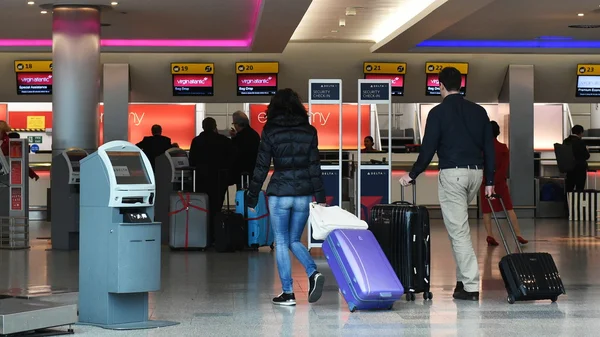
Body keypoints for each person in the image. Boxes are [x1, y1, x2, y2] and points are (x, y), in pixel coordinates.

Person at [399, 67, 495, 301]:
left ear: (440, 86)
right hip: (476, 174)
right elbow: (489, 147)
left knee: (459, 231)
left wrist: (413, 174)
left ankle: (471, 286)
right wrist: (490, 180)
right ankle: (462, 282)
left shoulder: (438, 113)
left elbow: (428, 148)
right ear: (460, 85)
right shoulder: (479, 111)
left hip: (453, 174)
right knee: (458, 228)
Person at [245, 88, 326, 306]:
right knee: (293, 240)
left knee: (281, 241)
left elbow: (262, 165)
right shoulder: (309, 131)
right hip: (303, 194)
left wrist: (252, 196)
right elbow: (314, 165)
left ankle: (288, 293)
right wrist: (320, 195)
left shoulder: (270, 130)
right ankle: (312, 273)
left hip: (279, 192)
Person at [480, 121, 528, 246]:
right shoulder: (503, 148)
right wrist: (496, 181)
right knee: (509, 207)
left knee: (486, 210)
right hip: (500, 182)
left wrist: (488, 181)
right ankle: (518, 234)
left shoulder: (481, 148)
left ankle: (490, 235)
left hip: (485, 182)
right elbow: (504, 168)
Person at [189, 117, 235, 241]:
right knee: (217, 206)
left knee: (203, 206)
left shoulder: (196, 141)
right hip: (220, 179)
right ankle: (217, 233)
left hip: (201, 179)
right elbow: (231, 158)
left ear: (203, 127)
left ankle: (204, 234)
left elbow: (192, 160)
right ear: (215, 127)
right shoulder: (224, 141)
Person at [229, 111, 260, 189]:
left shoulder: (239, 137)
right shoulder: (255, 134)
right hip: (254, 171)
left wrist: (233, 138)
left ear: (238, 124)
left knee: (242, 194)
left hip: (241, 173)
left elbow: (234, 153)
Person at [563, 125, 590, 192]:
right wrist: (587, 150)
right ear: (580, 132)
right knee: (579, 189)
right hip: (580, 169)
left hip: (569, 169)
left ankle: (568, 202)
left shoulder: (566, 141)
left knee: (569, 188)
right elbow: (586, 156)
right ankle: (577, 202)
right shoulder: (580, 142)